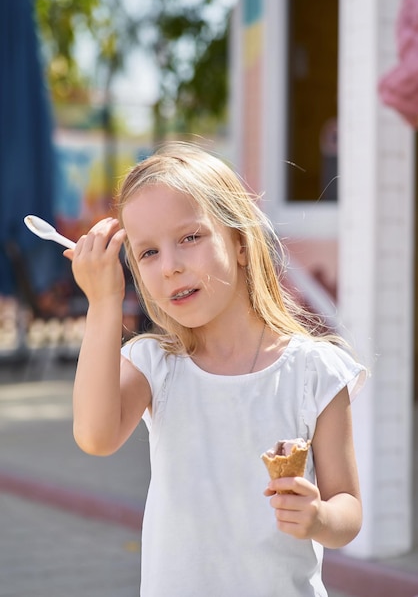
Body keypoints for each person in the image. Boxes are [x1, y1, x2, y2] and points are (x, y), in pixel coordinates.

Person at [66, 142, 366, 597]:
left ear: (241, 244)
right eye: (147, 253)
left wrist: (320, 518)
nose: (170, 267)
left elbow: (349, 510)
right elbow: (95, 435)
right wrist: (103, 302)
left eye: (190, 238)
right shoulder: (156, 366)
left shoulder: (315, 371)